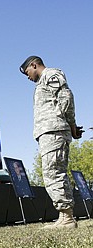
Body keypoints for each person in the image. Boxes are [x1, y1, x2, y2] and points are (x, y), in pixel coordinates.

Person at [20, 55, 84, 229]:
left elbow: (66, 97)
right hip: (50, 132)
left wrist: (70, 124)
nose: (28, 77)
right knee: (54, 171)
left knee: (53, 172)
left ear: (34, 65)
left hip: (53, 131)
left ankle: (67, 218)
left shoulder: (50, 74)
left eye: (27, 72)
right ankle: (65, 215)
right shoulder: (43, 82)